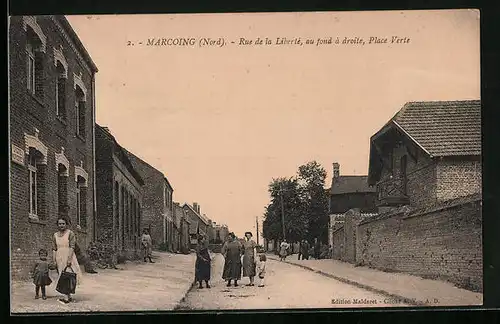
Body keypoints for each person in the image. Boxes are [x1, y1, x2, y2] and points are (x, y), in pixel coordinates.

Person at [52, 217, 83, 304]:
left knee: (68, 276)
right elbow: (54, 248)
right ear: (57, 225)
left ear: (66, 224)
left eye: (63, 224)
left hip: (69, 256)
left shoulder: (70, 233)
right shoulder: (55, 235)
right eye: (59, 224)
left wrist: (69, 259)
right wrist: (54, 260)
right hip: (59, 257)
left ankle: (66, 297)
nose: (61, 225)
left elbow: (72, 246)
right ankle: (67, 296)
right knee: (62, 275)